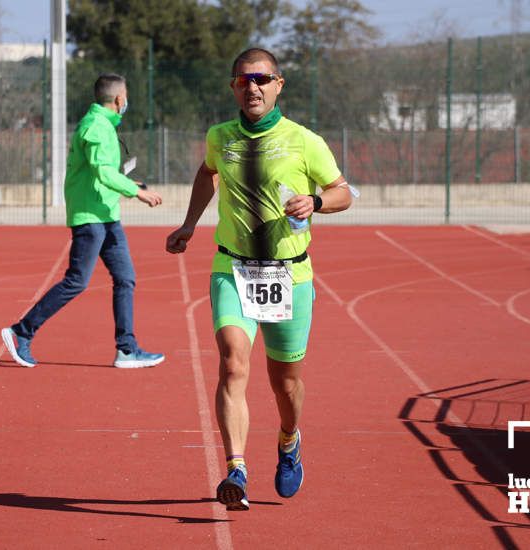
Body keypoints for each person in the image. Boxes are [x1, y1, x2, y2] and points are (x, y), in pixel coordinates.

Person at [165, 48, 353, 510]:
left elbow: (343, 191)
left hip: (289, 275)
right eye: (243, 80)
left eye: (262, 79)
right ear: (233, 87)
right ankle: (237, 469)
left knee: (285, 383)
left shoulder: (305, 141)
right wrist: (190, 223)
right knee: (233, 363)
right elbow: (207, 174)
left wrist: (317, 202)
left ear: (278, 84)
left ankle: (289, 441)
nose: (253, 87)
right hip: (233, 267)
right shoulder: (219, 137)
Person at [1, 73, 166, 369]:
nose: (126, 101)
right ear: (119, 99)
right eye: (125, 96)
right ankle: (21, 331)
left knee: (125, 278)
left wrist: (132, 184)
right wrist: (136, 193)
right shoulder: (96, 126)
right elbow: (102, 171)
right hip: (91, 218)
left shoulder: (104, 125)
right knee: (77, 281)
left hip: (107, 215)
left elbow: (103, 173)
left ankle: (127, 350)